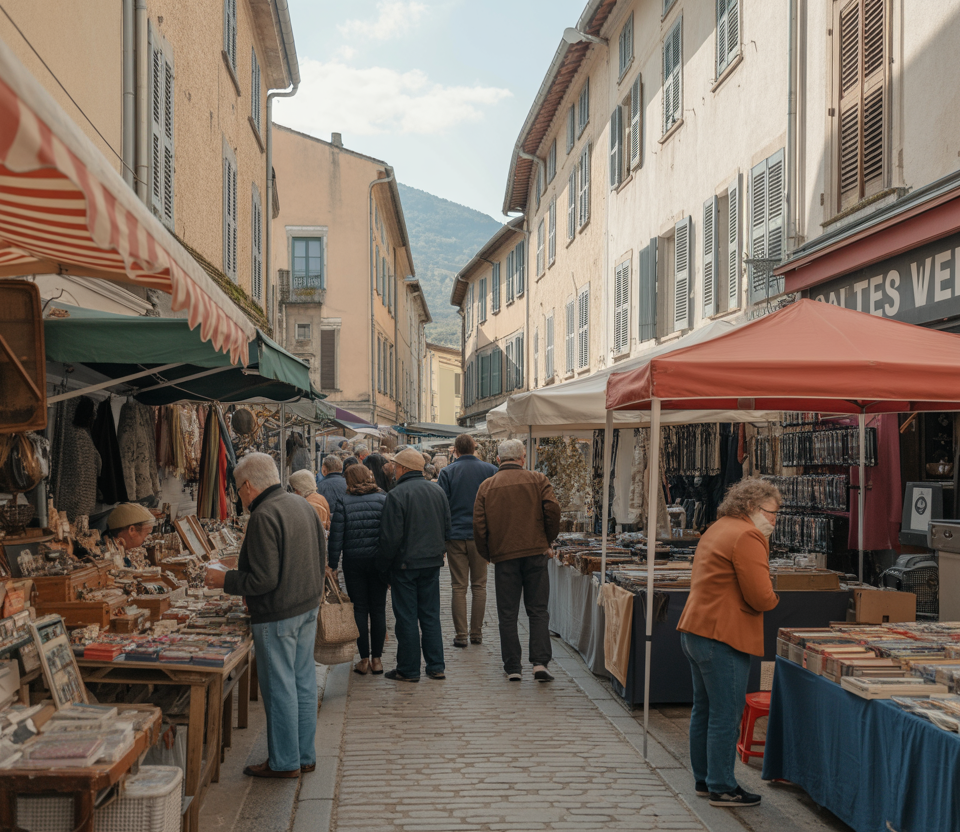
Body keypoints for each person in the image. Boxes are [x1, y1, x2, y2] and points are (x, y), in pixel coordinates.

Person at [205, 453, 324, 778]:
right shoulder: (301, 504)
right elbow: (320, 556)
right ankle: (304, 756)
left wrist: (224, 579)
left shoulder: (264, 515)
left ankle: (284, 762)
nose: (238, 496)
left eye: (237, 489)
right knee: (303, 682)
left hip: (278, 614)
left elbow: (263, 580)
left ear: (247, 486)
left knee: (279, 689)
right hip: (306, 607)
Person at [676, 478, 781, 809]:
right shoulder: (747, 535)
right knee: (725, 713)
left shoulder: (720, 526)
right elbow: (760, 596)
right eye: (771, 512)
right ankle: (722, 786)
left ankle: (705, 779)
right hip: (722, 635)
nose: (774, 520)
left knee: (704, 709)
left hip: (697, 628)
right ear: (751, 507)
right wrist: (774, 596)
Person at [474, 439, 560, 683]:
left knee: (508, 613)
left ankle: (513, 666)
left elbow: (478, 525)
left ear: (498, 460)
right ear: (523, 458)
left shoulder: (487, 486)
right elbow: (553, 510)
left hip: (505, 556)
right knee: (538, 610)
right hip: (535, 552)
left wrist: (488, 553)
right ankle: (540, 663)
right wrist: (546, 540)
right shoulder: (538, 479)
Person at [376, 448, 452, 682]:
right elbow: (447, 528)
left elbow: (390, 538)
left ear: (403, 468)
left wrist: (383, 568)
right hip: (431, 563)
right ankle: (436, 665)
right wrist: (439, 552)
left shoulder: (397, 495)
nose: (393, 470)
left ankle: (409, 669)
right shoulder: (437, 491)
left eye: (395, 466)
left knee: (407, 617)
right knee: (430, 615)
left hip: (405, 566)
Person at [328, 465, 389, 675]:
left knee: (360, 609)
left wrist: (332, 564)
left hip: (353, 562)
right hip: (378, 561)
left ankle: (363, 660)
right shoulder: (383, 499)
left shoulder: (343, 502)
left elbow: (336, 536)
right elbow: (389, 532)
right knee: (378, 609)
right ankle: (377, 660)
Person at [438, 434, 497, 648]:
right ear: (474, 448)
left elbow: (442, 506)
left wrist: (444, 536)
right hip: (480, 536)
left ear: (456, 450)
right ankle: (476, 633)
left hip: (455, 535)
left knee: (458, 586)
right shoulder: (491, 470)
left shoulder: (447, 472)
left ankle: (461, 634)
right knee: (479, 585)